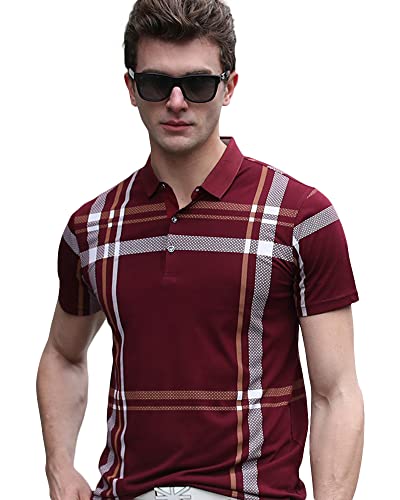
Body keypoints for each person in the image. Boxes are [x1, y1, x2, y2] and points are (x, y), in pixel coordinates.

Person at [36, 1, 364, 499]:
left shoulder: (300, 217)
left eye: (198, 84)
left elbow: (336, 392)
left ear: (229, 87)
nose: (176, 101)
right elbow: (63, 353)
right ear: (130, 88)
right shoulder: (93, 227)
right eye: (156, 83)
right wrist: (59, 466)